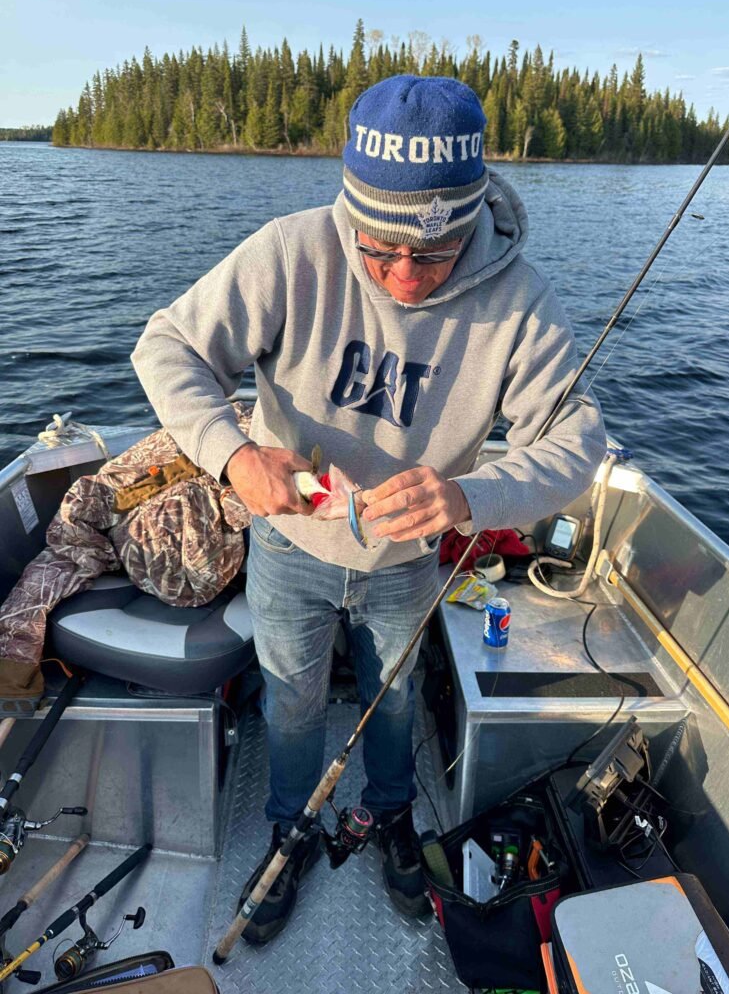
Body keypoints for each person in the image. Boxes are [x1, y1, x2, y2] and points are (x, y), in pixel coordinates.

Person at [131, 75, 606, 941]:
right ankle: (290, 827)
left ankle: (391, 817)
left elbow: (577, 443)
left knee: (392, 708)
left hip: (406, 565)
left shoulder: (519, 301)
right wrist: (235, 455)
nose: (400, 277)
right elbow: (166, 346)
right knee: (291, 701)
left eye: (430, 255)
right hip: (288, 544)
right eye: (377, 248)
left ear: (470, 219)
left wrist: (469, 494)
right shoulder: (290, 250)